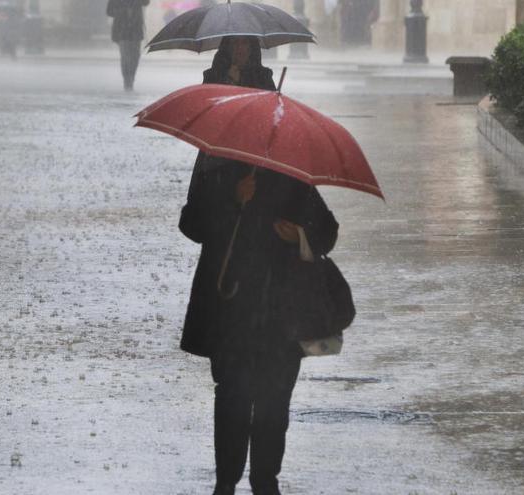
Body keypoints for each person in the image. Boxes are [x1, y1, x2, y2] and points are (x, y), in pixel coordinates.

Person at [178, 36, 339, 495]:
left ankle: (266, 480)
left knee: (273, 400)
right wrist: (233, 200)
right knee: (232, 397)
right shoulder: (216, 161)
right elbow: (191, 223)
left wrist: (300, 236)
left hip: (281, 313)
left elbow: (326, 230)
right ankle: (226, 482)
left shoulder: (292, 170)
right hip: (229, 304)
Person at [106, 0, 150, 91]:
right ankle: (127, 80)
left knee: (135, 56)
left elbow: (146, 2)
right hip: (122, 30)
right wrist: (122, 12)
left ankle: (131, 77)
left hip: (135, 29)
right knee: (126, 57)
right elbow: (109, 11)